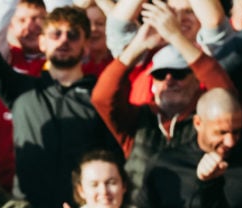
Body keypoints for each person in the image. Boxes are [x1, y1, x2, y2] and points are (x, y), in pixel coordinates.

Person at [0, 0, 118, 208]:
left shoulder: (100, 95)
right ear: (42, 43)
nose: (64, 40)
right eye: (55, 34)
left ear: (86, 45)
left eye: (73, 35)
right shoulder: (20, 89)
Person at [91, 3, 234, 187]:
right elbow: (102, 98)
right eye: (159, 74)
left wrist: (176, 36)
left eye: (179, 73)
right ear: (152, 82)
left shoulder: (207, 118)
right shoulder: (138, 119)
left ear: (196, 79)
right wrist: (138, 45)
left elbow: (225, 95)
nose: (169, 80)